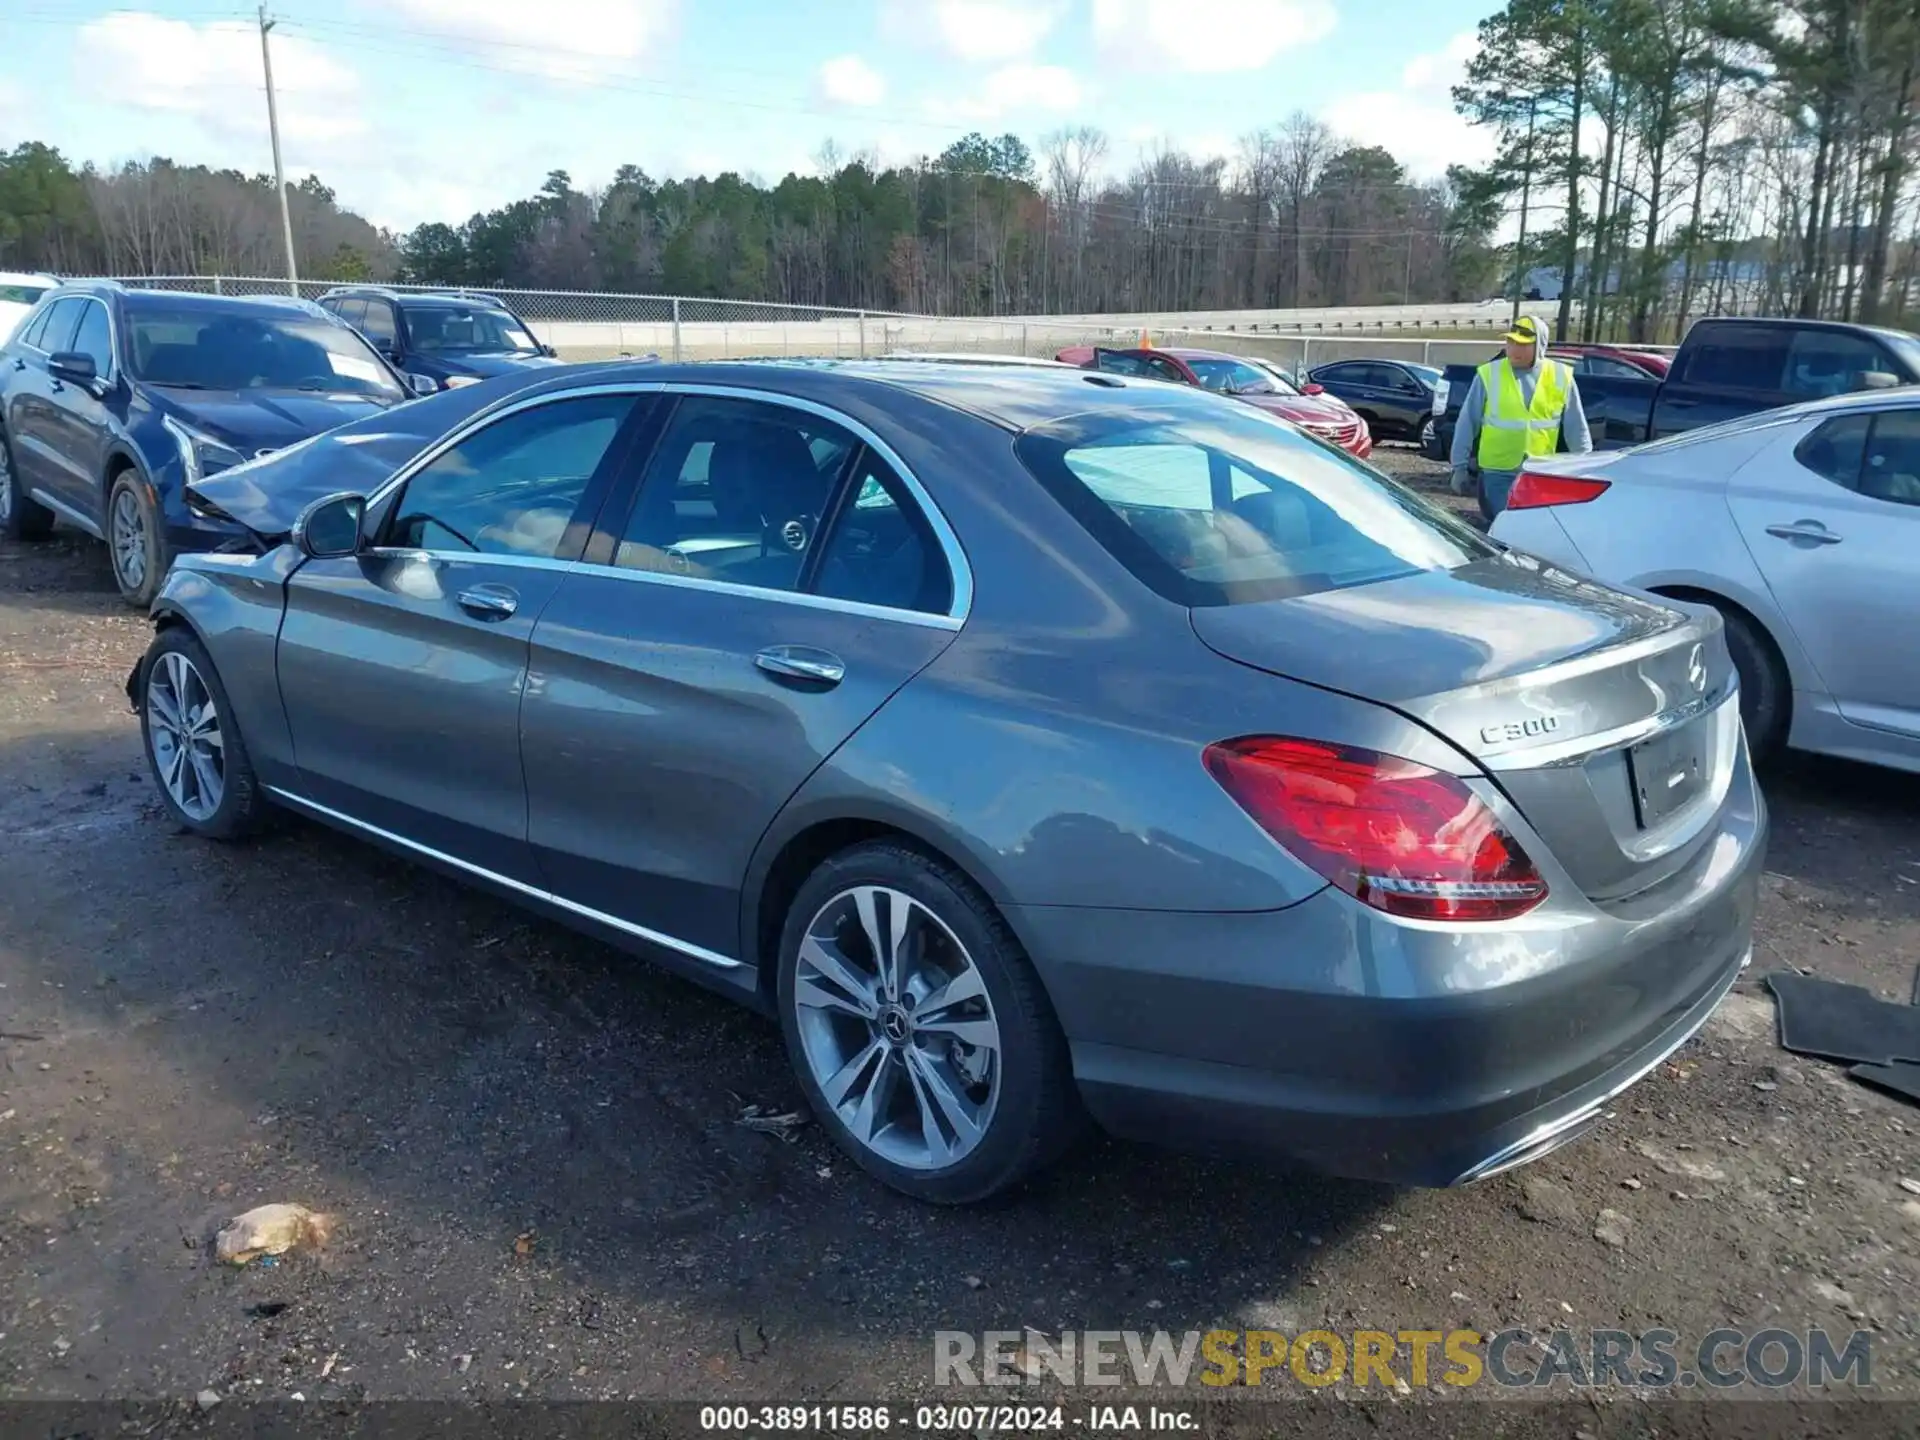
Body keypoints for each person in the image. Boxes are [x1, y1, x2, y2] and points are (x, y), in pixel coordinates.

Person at [1449, 314, 1592, 516]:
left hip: (1540, 473)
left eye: (1523, 344)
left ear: (1539, 346)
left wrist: (1586, 471)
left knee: (1529, 533)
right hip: (1497, 473)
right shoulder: (1489, 374)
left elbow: (1576, 429)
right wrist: (1459, 466)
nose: (1515, 349)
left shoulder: (1561, 377)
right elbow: (1467, 422)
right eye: (1511, 342)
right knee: (1501, 529)